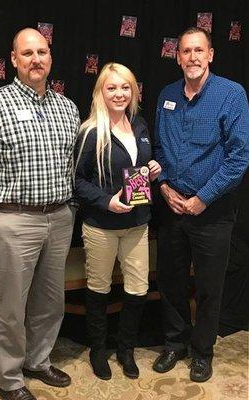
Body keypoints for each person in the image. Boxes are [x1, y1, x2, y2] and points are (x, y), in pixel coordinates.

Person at [0, 28, 80, 400]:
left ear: (51, 57)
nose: (35, 59)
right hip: (13, 221)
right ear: (13, 59)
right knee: (10, 306)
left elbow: (73, 165)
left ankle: (37, 361)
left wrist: (70, 208)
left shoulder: (67, 107)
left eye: (42, 52)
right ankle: (9, 379)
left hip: (58, 218)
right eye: (27, 53)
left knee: (49, 300)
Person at [153, 27, 249, 382]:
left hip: (213, 212)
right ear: (177, 56)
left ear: (210, 55)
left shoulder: (231, 95)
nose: (192, 57)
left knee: (209, 287)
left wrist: (202, 199)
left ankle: (202, 352)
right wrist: (163, 188)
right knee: (171, 281)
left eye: (199, 50)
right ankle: (175, 344)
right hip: (172, 207)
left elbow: (238, 158)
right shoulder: (167, 95)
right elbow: (159, 150)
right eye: (186, 51)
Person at [74, 62, 161, 380]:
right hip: (101, 226)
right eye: (111, 87)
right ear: (101, 91)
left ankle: (126, 349)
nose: (119, 92)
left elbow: (143, 166)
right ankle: (98, 350)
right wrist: (106, 201)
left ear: (133, 90)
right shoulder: (90, 131)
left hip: (138, 223)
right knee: (98, 289)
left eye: (125, 86)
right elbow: (78, 181)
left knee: (137, 290)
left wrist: (153, 168)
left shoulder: (139, 124)